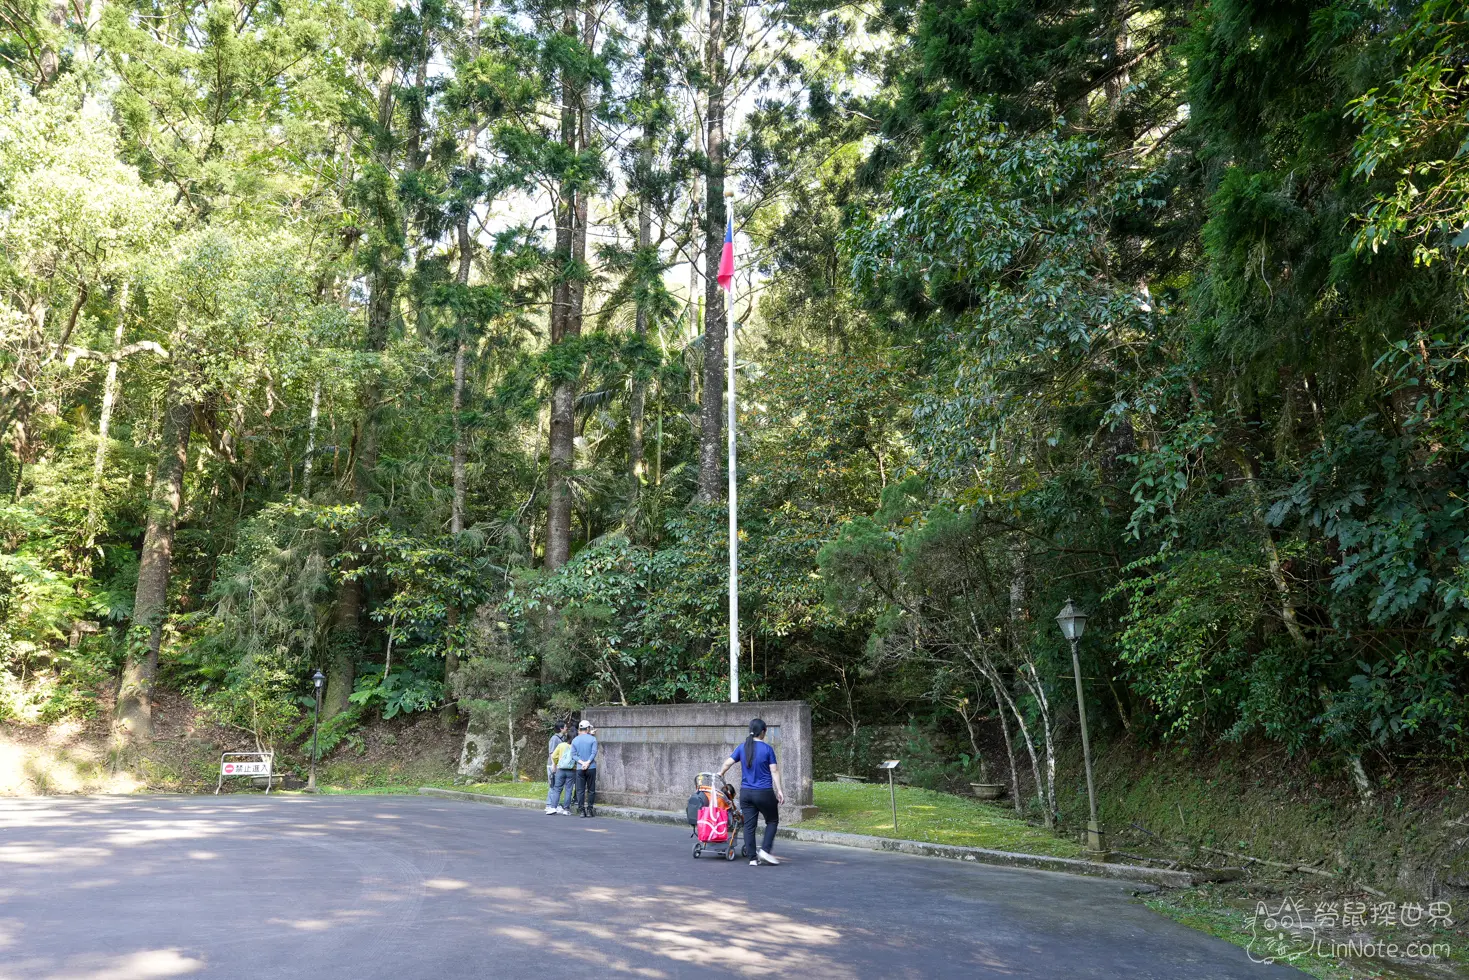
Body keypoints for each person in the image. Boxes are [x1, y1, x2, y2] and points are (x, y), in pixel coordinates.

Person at [718, 718, 785, 867]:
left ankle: (752, 859)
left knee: (749, 825)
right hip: (764, 792)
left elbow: (728, 763)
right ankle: (765, 851)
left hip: (746, 793)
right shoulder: (767, 749)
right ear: (763, 732)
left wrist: (721, 773)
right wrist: (779, 790)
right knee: (772, 821)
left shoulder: (742, 747)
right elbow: (774, 770)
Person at [571, 719, 598, 817]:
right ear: (587, 728)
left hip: (580, 767)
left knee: (580, 790)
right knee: (591, 789)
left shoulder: (575, 740)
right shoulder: (593, 739)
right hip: (591, 767)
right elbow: (594, 752)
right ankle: (590, 810)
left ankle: (582, 810)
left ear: (579, 729)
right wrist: (587, 762)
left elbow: (573, 755)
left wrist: (582, 762)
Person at [544, 721, 567, 814]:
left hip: (558, 765)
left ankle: (553, 804)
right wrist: (554, 765)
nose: (566, 728)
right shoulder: (554, 739)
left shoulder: (563, 738)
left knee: (556, 785)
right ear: (561, 728)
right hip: (553, 765)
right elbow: (551, 753)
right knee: (553, 785)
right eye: (565, 727)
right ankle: (550, 805)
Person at [548, 738, 576, 814]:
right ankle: (566, 809)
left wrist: (556, 763)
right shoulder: (576, 746)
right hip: (571, 770)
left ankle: (553, 807)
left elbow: (553, 756)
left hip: (561, 769)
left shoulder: (561, 745)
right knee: (568, 789)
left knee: (557, 789)